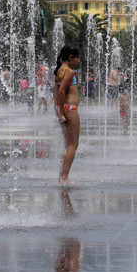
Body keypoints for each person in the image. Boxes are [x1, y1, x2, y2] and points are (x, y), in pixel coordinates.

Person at [55, 44, 81, 184]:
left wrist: (58, 110)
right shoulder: (69, 71)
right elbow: (61, 92)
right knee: (73, 144)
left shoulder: (60, 70)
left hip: (65, 109)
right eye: (77, 58)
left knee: (68, 144)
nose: (78, 61)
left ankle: (63, 175)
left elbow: (56, 89)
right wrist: (61, 111)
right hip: (70, 109)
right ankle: (63, 177)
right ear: (71, 57)